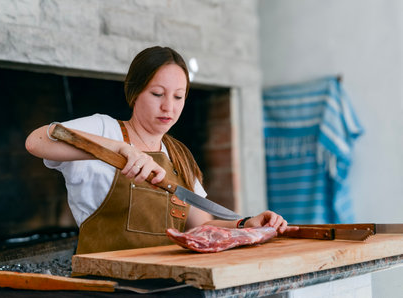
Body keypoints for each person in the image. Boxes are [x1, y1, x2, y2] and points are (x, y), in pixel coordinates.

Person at [25, 46, 295, 254]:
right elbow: (37, 141)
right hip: (106, 285)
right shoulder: (104, 128)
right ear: (135, 92)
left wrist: (246, 224)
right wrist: (121, 149)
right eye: (157, 94)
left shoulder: (178, 154)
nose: (169, 107)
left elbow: (200, 227)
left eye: (178, 97)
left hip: (167, 281)